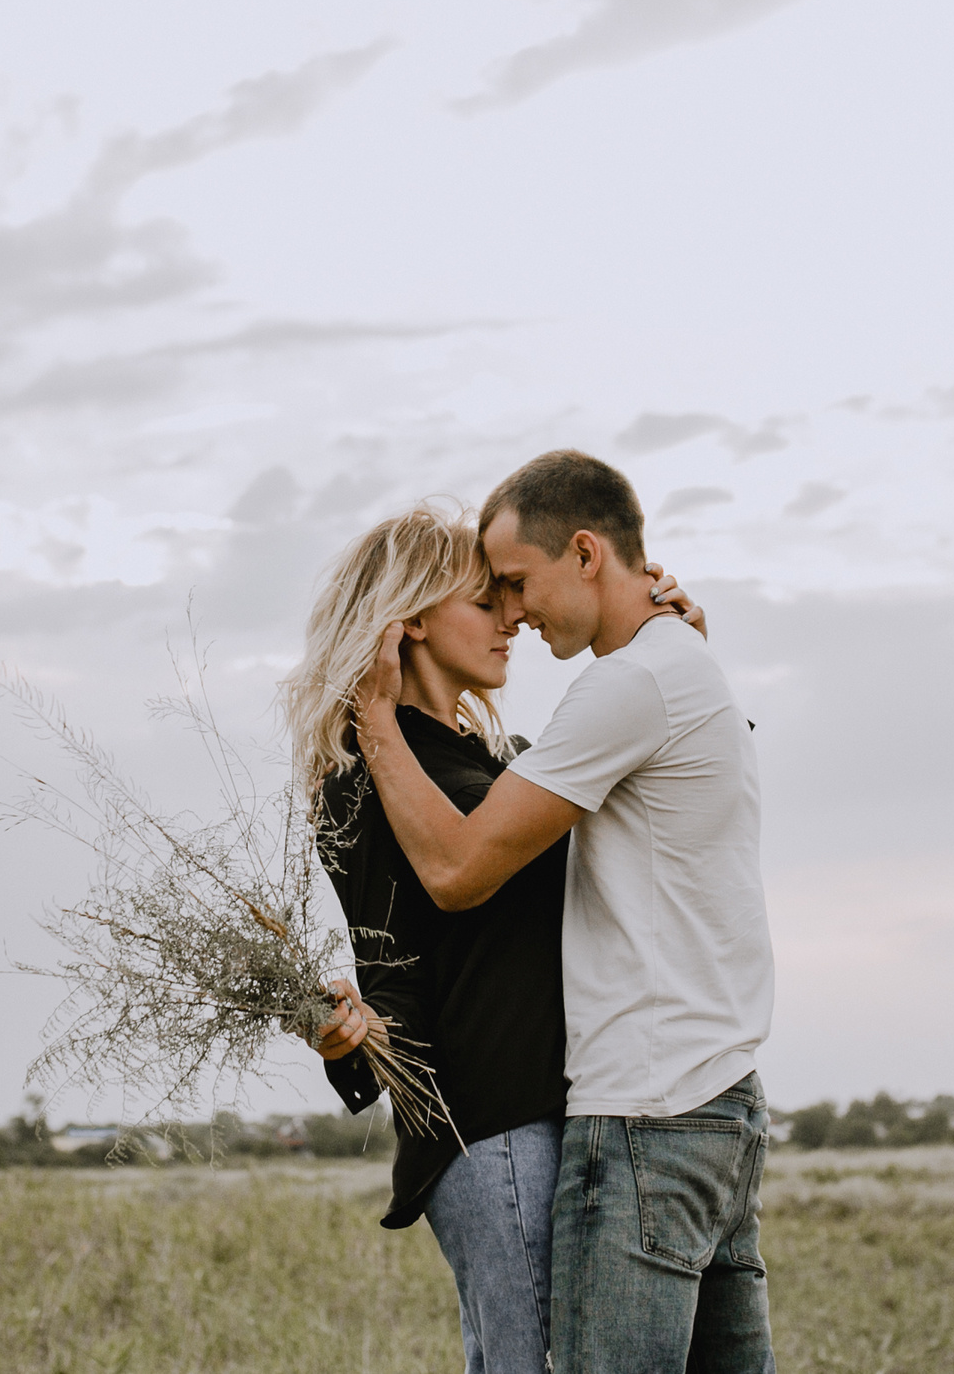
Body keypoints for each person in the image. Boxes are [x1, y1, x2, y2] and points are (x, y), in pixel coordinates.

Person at [351, 451, 775, 1374]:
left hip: (647, 1112)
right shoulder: (682, 672)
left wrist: (374, 719)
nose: (514, 610)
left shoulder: (631, 687)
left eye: (517, 582)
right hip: (717, 1098)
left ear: (585, 552)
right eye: (491, 592)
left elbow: (459, 869)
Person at [282, 500, 703, 1374]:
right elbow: (385, 963)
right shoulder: (368, 780)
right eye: (485, 599)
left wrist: (671, 654)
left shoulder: (497, 762)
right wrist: (345, 1042)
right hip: (490, 1132)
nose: (511, 616)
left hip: (549, 1118)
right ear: (411, 626)